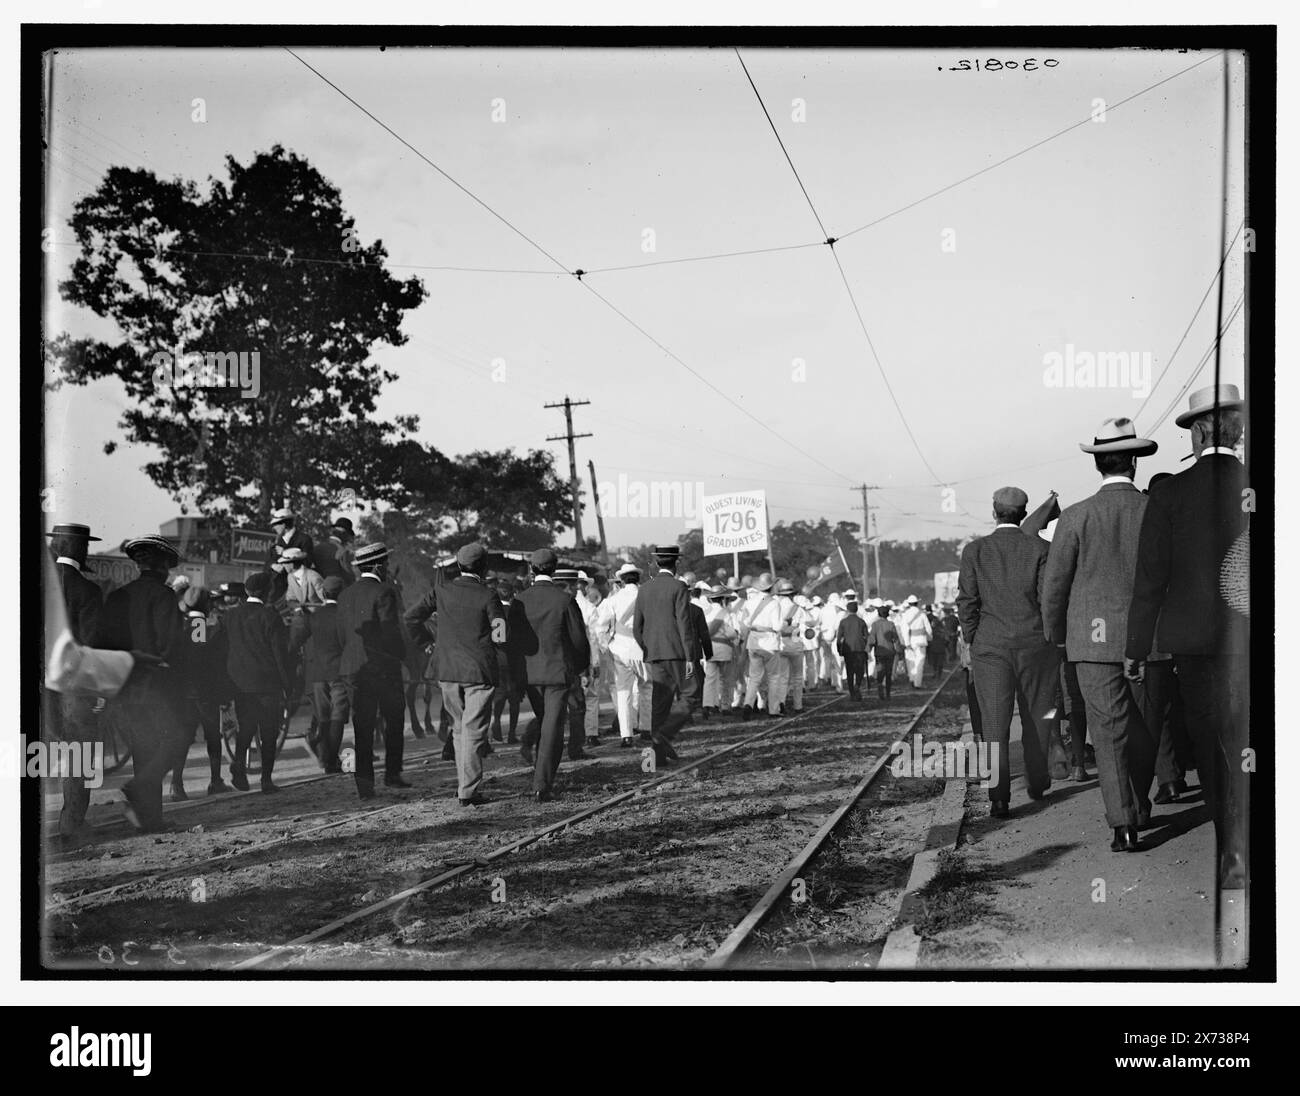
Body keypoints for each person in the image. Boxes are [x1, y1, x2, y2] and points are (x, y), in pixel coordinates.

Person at [1125, 384, 1250, 891]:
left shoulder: (1171, 493)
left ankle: (1233, 859)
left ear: (1198, 433)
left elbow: (1150, 579)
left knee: (1214, 744)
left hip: (1196, 645)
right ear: (1238, 431)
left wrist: (1136, 648)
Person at [1042, 416, 1161, 853]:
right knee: (1148, 728)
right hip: (1152, 641)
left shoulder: (1074, 517)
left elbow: (1055, 586)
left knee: (1108, 733)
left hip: (1091, 644)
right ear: (1134, 461)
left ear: (1098, 466)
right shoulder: (1155, 510)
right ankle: (1140, 804)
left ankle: (1123, 824)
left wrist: (1056, 635)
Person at [957, 487, 1061, 818]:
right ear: (1023, 512)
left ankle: (999, 797)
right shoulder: (1041, 548)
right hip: (1035, 645)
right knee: (1039, 714)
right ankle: (1038, 780)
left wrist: (972, 641)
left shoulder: (975, 550)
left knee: (994, 722)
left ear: (994, 511)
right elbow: (1049, 600)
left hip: (990, 647)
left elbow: (967, 602)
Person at [404, 543, 504, 805]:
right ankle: (468, 792)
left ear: (459, 566)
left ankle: (465, 786)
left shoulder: (441, 591)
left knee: (459, 729)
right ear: (483, 568)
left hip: (446, 669)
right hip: (478, 671)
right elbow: (501, 635)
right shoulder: (488, 595)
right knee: (473, 730)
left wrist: (427, 643)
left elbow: (411, 618)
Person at [99, 534, 188, 831]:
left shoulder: (117, 597)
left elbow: (106, 644)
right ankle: (142, 788)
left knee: (143, 748)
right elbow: (173, 644)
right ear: (163, 565)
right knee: (178, 738)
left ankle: (149, 819)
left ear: (139, 564)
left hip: (125, 683)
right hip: (157, 684)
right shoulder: (163, 596)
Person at [44, 522, 105, 837]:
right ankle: (72, 822)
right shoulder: (88, 590)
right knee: (78, 754)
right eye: (86, 546)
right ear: (79, 549)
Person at [514, 549, 589, 801]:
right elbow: (579, 640)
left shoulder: (519, 601)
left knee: (547, 723)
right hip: (558, 672)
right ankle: (542, 784)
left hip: (530, 675)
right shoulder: (565, 600)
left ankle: (542, 775)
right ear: (554, 570)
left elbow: (512, 640)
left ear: (532, 570)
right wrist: (580, 667)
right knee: (552, 727)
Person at [338, 542, 409, 799]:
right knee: (394, 720)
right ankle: (392, 775)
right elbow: (391, 632)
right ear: (379, 566)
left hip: (352, 669)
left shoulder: (344, 595)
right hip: (383, 669)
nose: (388, 569)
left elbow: (340, 635)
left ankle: (364, 784)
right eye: (386, 565)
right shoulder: (384, 592)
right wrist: (402, 655)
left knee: (362, 726)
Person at [223, 570, 293, 794]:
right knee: (269, 732)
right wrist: (287, 685)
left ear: (246, 591)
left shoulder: (230, 616)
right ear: (267, 591)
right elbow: (281, 655)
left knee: (246, 727)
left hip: (240, 683)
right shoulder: (270, 616)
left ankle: (239, 767)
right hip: (267, 683)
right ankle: (266, 779)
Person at [632, 544, 694, 763]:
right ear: (676, 562)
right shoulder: (679, 587)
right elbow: (684, 625)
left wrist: (648, 647)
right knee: (691, 694)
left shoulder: (645, 588)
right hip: (677, 652)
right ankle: (663, 737)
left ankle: (657, 755)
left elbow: (636, 628)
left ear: (657, 562)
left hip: (654, 653)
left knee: (660, 703)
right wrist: (690, 656)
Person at [173, 586, 232, 797]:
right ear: (206, 605)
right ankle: (215, 781)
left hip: (183, 693)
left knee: (182, 737)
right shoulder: (205, 627)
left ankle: (176, 784)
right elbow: (211, 663)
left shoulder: (180, 626)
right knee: (213, 737)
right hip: (205, 693)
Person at [290, 575, 349, 773]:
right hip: (338, 672)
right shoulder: (345, 615)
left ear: (323, 593)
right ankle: (331, 759)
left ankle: (322, 750)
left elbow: (297, 640)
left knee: (323, 716)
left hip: (317, 673)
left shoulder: (313, 616)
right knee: (338, 715)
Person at [597, 562, 652, 747]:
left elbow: (602, 627)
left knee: (623, 692)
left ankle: (626, 735)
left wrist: (607, 646)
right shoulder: (648, 596)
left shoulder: (612, 600)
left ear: (621, 580)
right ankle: (646, 729)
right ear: (638, 578)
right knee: (647, 688)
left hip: (620, 650)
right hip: (645, 648)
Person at [554, 568, 598, 760]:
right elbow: (579, 639)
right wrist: (583, 669)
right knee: (577, 707)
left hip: (544, 667)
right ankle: (575, 748)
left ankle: (533, 742)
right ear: (570, 586)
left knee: (550, 710)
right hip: (568, 665)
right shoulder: (569, 603)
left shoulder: (538, 600)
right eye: (574, 586)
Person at [740, 572, 784, 719]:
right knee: (774, 677)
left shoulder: (749, 602)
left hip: (753, 642)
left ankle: (748, 705)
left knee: (754, 678)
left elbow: (745, 623)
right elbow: (778, 627)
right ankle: (773, 710)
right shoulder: (774, 603)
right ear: (771, 587)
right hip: (770, 643)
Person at [490, 578, 525, 745]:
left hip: (497, 659)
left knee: (498, 696)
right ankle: (511, 733)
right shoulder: (518, 610)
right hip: (515, 660)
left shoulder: (492, 611)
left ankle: (496, 722)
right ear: (512, 595)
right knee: (514, 699)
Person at [701, 585, 739, 717]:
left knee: (709, 678)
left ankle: (707, 705)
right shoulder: (727, 614)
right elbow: (733, 633)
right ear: (723, 599)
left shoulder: (706, 614)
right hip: (724, 649)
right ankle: (725, 706)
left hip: (709, 648)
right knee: (725, 679)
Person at [266, 508, 314, 603]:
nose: (274, 528)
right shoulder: (275, 542)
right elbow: (267, 562)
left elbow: (308, 562)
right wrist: (273, 565)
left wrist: (285, 553)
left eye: (276, 525)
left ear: (283, 525)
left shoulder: (304, 539)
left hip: (297, 590)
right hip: (276, 592)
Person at [685, 580, 714, 717]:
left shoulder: (669, 610)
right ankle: (701, 707)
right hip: (693, 650)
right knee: (698, 679)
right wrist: (708, 653)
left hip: (677, 651)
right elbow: (704, 634)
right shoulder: (696, 610)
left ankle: (686, 711)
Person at [776, 579, 805, 714]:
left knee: (782, 677)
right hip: (795, 643)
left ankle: (781, 703)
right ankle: (798, 705)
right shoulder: (797, 608)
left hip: (781, 644)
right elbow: (805, 624)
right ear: (792, 594)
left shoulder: (776, 607)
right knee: (797, 678)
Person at [836, 591, 871, 700]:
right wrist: (867, 649)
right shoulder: (861, 621)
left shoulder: (843, 622)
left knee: (850, 671)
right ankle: (857, 686)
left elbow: (839, 638)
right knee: (860, 670)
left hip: (848, 650)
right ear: (856, 610)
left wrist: (839, 650)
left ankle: (852, 693)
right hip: (860, 649)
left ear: (847, 610)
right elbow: (867, 636)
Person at [868, 599, 903, 701]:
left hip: (879, 652)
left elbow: (872, 639)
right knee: (888, 673)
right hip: (890, 652)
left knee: (880, 671)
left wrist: (868, 649)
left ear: (878, 614)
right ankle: (888, 693)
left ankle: (880, 690)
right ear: (888, 614)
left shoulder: (875, 625)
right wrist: (899, 650)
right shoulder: (891, 624)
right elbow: (896, 639)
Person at [313, 516, 358, 588]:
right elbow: (349, 577)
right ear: (345, 534)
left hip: (320, 589)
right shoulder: (343, 552)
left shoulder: (317, 548)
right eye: (348, 535)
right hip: (338, 591)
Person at [899, 595, 932, 688]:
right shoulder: (922, 614)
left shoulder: (905, 614)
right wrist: (929, 638)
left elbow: (904, 630)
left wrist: (907, 643)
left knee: (911, 662)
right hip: (921, 641)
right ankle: (917, 683)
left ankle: (912, 679)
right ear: (917, 603)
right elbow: (928, 629)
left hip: (910, 640)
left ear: (909, 604)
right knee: (919, 663)